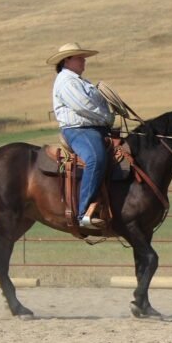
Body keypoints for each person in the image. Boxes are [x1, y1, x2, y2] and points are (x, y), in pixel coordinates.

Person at [48, 42, 115, 230]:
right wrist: (108, 117)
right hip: (79, 129)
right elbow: (83, 106)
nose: (84, 60)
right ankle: (83, 212)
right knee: (96, 158)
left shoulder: (80, 80)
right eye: (79, 57)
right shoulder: (66, 81)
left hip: (95, 128)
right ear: (67, 60)